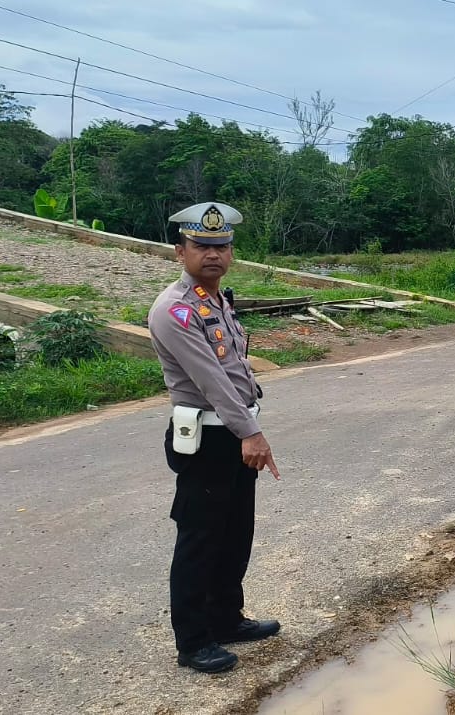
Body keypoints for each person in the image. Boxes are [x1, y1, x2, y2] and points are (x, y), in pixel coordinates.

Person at [148, 202, 282, 674]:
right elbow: (212, 381)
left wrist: (247, 428)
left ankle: (226, 618)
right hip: (207, 438)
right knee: (200, 539)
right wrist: (253, 433)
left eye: (221, 246)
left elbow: (236, 369)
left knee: (235, 533)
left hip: (234, 433)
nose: (213, 254)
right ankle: (193, 641)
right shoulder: (176, 310)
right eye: (201, 246)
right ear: (179, 251)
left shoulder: (217, 300)